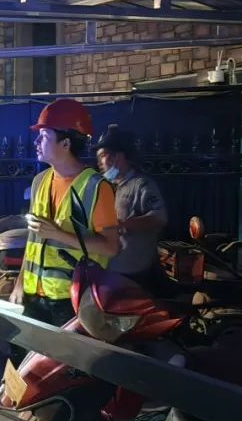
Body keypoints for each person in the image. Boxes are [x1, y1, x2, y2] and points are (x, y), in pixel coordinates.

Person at [10, 98, 121, 330]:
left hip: (72, 301)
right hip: (33, 296)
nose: (36, 142)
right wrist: (19, 283)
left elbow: (110, 247)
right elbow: (34, 239)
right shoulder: (40, 181)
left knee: (67, 356)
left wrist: (58, 234)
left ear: (66, 143)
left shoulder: (96, 187)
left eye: (44, 136)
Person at [95, 125, 168, 286]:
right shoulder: (107, 187)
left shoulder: (141, 184)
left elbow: (159, 218)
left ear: (119, 156)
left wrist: (122, 225)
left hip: (135, 274)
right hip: (110, 271)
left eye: (103, 156)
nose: (99, 163)